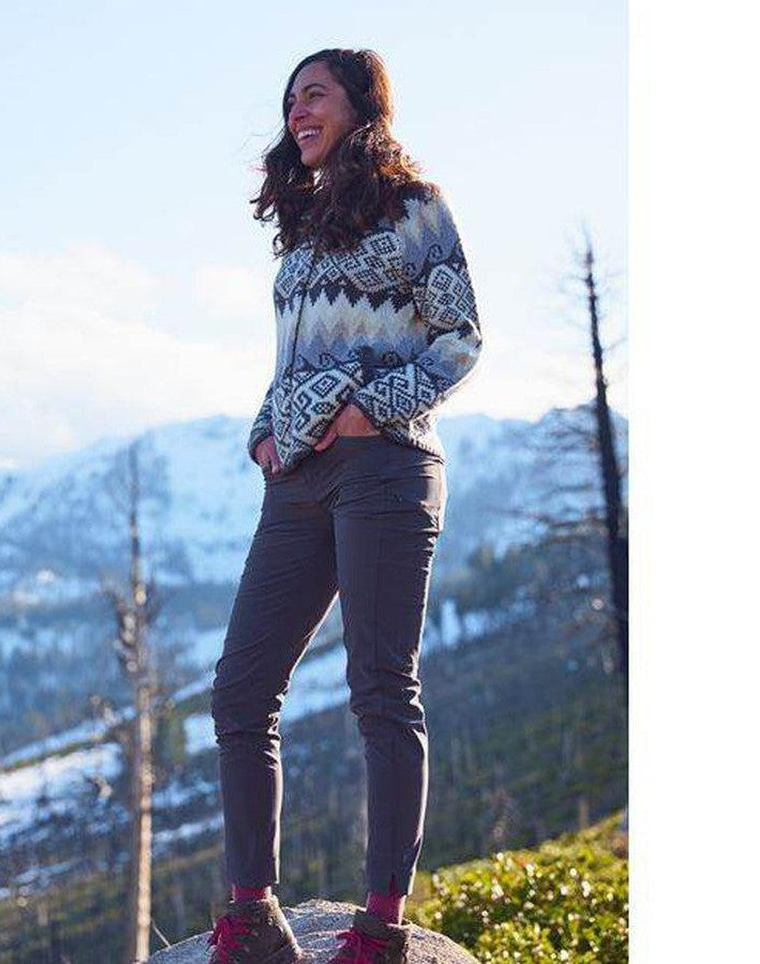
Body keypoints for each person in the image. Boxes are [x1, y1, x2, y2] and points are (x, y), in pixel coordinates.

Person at [206, 48, 484, 964]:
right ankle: (253, 915)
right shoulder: (300, 233)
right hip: (295, 483)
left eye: (314, 94)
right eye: (289, 99)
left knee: (380, 691)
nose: (296, 111)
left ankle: (382, 926)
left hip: (386, 471)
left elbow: (460, 337)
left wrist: (373, 411)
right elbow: (294, 357)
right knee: (241, 692)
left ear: (363, 106)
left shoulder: (414, 207)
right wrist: (263, 430)